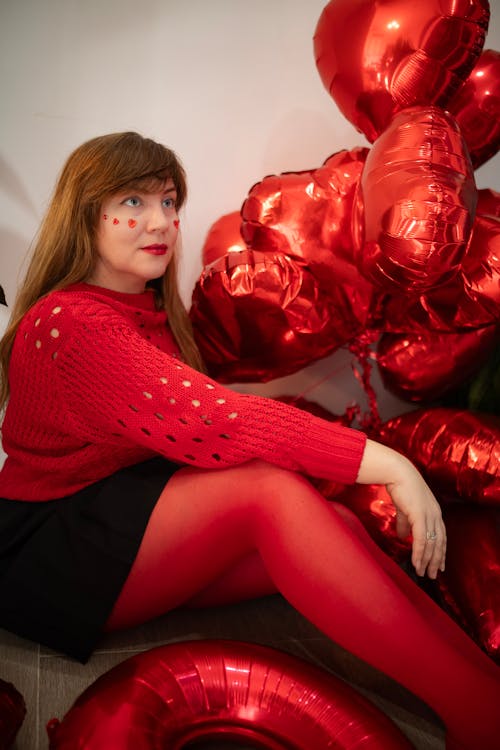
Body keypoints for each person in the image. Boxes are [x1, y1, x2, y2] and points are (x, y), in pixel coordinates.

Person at [0, 132, 497, 748]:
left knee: (330, 524)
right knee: (271, 494)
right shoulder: (73, 321)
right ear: (84, 212)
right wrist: (392, 466)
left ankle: (482, 696)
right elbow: (225, 421)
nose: (161, 221)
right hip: (50, 553)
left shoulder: (142, 311)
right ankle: (481, 712)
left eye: (168, 201)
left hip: (115, 517)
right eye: (133, 202)